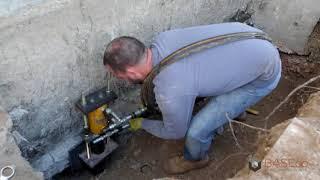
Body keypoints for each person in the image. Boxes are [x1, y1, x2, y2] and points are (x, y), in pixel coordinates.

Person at [102, 22, 281, 174]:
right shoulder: (164, 38)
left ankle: (196, 159)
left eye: (120, 77)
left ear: (132, 72)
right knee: (216, 82)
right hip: (253, 38)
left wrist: (142, 123)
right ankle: (236, 111)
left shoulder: (170, 89)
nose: (123, 81)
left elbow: (176, 132)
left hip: (262, 77)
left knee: (197, 131)